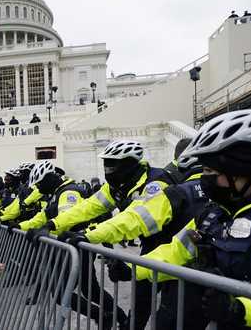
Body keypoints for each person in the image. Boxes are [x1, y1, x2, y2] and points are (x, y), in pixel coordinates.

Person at [127, 109, 251, 329]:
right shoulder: (215, 213)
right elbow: (177, 251)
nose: (205, 179)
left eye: (210, 171)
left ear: (242, 170)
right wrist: (131, 268)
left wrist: (241, 309)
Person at [47, 140, 176, 329]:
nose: (108, 170)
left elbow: (134, 219)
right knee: (139, 307)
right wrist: (54, 224)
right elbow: (88, 207)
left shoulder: (155, 183)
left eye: (112, 164)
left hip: (176, 249)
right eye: (106, 164)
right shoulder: (117, 185)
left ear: (130, 164)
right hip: (151, 248)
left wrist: (88, 235)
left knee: (171, 314)